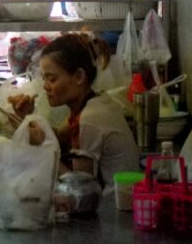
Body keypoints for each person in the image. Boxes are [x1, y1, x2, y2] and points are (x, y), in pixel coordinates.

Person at [38, 32, 139, 190]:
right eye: (43, 78)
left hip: (115, 202)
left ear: (79, 76)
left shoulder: (91, 117)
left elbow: (80, 189)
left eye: (52, 79)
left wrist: (43, 148)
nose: (45, 86)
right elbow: (58, 135)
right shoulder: (93, 102)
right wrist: (25, 117)